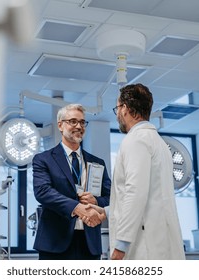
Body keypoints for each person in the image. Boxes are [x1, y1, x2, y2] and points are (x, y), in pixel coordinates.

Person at [86, 83, 185, 260]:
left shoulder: (136, 140)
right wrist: (106, 212)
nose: (117, 114)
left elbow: (135, 192)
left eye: (117, 108)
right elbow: (148, 196)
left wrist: (121, 245)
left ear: (125, 108)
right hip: (157, 240)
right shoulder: (158, 142)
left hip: (144, 246)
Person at [32, 103, 111, 260]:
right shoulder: (44, 159)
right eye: (73, 121)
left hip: (89, 243)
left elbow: (110, 197)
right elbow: (43, 192)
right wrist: (76, 207)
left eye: (82, 122)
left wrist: (96, 200)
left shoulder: (97, 163)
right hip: (55, 242)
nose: (79, 126)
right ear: (60, 125)